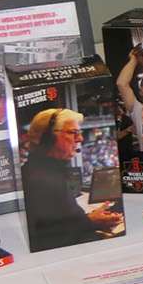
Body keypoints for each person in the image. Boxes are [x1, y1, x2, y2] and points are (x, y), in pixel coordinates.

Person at [19, 107, 124, 250]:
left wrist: (90, 218)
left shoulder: (45, 171)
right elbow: (53, 238)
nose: (80, 138)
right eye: (73, 133)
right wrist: (92, 222)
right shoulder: (42, 180)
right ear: (48, 138)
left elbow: (59, 223)